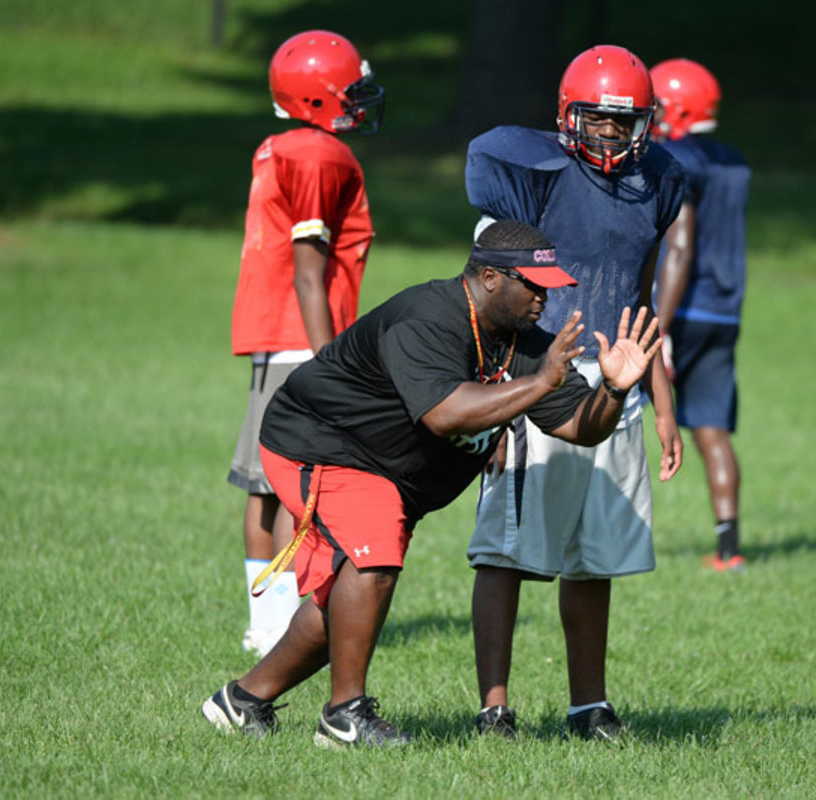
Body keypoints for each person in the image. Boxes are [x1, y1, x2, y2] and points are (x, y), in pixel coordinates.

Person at [202, 219, 665, 747]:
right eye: (533, 286)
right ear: (490, 278)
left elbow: (580, 428)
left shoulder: (527, 342)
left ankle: (243, 699)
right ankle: (344, 716)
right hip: (323, 440)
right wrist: (539, 384)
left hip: (387, 469)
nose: (544, 299)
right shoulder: (429, 317)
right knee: (374, 564)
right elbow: (446, 414)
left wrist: (612, 390)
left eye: (550, 288)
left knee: (348, 600)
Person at [464, 44, 688, 740]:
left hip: (619, 380)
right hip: (539, 376)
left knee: (595, 556)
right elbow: (488, 294)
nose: (611, 134)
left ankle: (588, 705)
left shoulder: (657, 181)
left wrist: (662, 398)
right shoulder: (527, 173)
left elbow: (641, 295)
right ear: (569, 116)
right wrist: (492, 387)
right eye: (598, 119)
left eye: (625, 122)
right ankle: (494, 707)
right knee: (506, 550)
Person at [227, 30, 384, 657]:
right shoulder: (320, 154)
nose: (360, 101)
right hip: (303, 339)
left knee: (265, 486)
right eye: (350, 90)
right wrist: (330, 364)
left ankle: (267, 625)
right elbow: (309, 270)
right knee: (298, 489)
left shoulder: (284, 147)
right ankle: (279, 629)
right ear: (318, 97)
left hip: (278, 336)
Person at [649, 58, 752, 572]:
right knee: (712, 430)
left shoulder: (676, 157)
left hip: (683, 306)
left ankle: (600, 529)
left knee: (618, 411)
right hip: (726, 311)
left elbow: (681, 245)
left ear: (675, 108)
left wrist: (660, 325)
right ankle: (728, 548)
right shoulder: (734, 160)